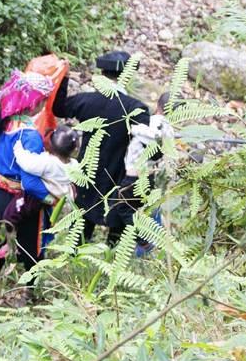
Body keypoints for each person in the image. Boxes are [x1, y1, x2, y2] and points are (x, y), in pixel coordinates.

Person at [57, 51, 149, 244]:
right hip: (118, 177)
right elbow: (148, 146)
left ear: (101, 73)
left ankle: (73, 263)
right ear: (128, 75)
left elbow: (58, 108)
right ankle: (112, 263)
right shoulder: (136, 109)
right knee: (117, 236)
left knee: (80, 229)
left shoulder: (86, 101)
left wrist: (63, 79)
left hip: (87, 175)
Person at [0, 71, 56, 302]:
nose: (43, 105)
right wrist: (50, 197)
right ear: (33, 103)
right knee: (30, 249)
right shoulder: (30, 135)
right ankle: (27, 293)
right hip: (24, 200)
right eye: (42, 101)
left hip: (0, 195)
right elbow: (30, 181)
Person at [104, 92, 173, 250]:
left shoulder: (152, 122)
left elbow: (154, 138)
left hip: (134, 178)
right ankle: (116, 247)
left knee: (122, 208)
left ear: (156, 106)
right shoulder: (170, 128)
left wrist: (135, 130)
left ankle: (144, 242)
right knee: (129, 210)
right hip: (148, 177)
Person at [14, 126, 81, 206]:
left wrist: (19, 150)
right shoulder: (75, 165)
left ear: (51, 143)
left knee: (10, 214)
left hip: (42, 198)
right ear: (75, 149)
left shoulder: (48, 162)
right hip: (64, 201)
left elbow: (27, 164)